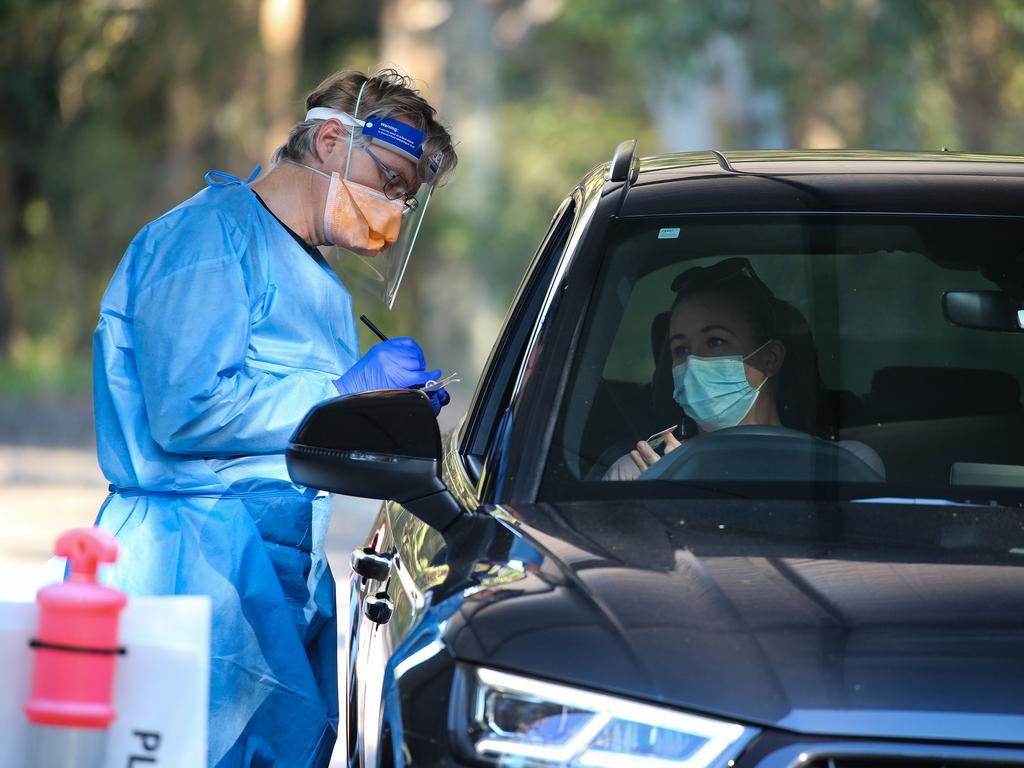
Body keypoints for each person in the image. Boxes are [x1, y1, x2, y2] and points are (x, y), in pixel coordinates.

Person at [91, 69, 457, 766]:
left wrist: (379, 420)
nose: (392, 210)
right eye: (388, 179)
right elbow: (186, 410)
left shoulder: (316, 282)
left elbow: (299, 428)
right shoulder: (209, 237)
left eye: (404, 197)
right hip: (191, 565)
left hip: (275, 571)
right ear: (328, 141)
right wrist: (342, 395)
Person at [604, 258, 884, 481]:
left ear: (771, 357)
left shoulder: (843, 465)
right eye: (681, 350)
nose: (693, 363)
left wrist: (697, 483)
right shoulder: (637, 471)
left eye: (715, 341)